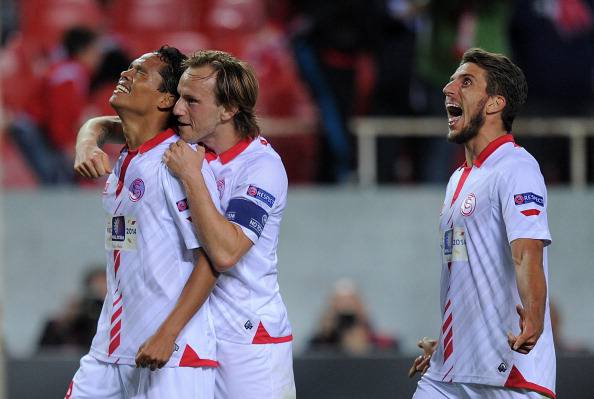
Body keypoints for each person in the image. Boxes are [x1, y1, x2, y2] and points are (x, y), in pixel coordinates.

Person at [74, 50, 296, 399]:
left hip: (246, 337)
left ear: (228, 109)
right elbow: (110, 124)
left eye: (191, 101)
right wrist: (87, 142)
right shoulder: (189, 139)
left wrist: (191, 176)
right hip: (192, 330)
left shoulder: (260, 167)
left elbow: (223, 255)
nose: (178, 109)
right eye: (178, 97)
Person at [67, 46, 220, 398]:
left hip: (172, 354)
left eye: (139, 73)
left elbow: (212, 259)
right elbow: (99, 124)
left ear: (167, 99)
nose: (125, 75)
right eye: (128, 70)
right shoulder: (127, 158)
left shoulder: (178, 163)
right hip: (111, 349)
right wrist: (87, 140)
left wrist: (167, 334)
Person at [409, 48, 556, 398]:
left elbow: (526, 254)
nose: (448, 88)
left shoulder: (516, 168)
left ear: (494, 104)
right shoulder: (459, 179)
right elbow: (467, 271)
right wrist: (449, 343)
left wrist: (533, 318)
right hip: (451, 371)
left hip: (509, 374)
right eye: (451, 80)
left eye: (466, 82)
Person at [9, 26, 102, 184]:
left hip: (38, 130)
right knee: (57, 183)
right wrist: (66, 145)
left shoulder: (70, 72)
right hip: (33, 131)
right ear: (83, 51)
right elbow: (60, 115)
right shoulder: (69, 76)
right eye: (95, 51)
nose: (99, 57)